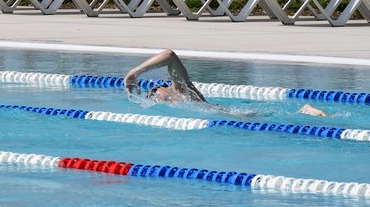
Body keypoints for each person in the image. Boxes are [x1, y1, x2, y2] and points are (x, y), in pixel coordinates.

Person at [125, 49, 327, 116]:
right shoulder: (176, 105)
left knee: (269, 116)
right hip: (231, 118)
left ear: (162, 87)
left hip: (236, 116)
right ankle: (301, 111)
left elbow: (169, 55)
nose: (154, 96)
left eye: (154, 92)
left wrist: (135, 73)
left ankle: (303, 110)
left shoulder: (181, 90)